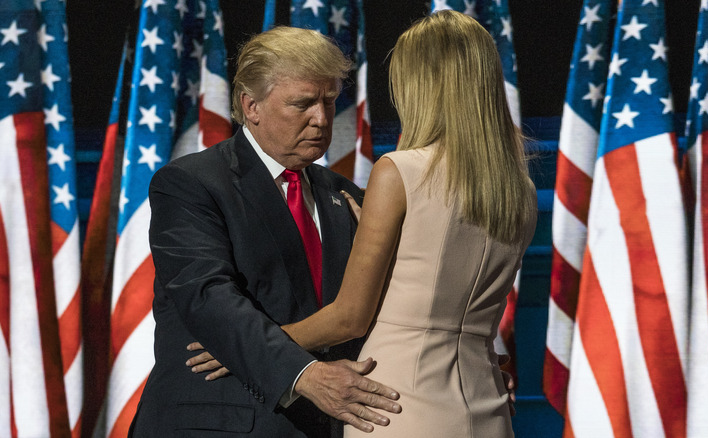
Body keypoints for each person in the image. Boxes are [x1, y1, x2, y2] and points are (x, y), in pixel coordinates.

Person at [191, 10, 537, 437]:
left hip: (396, 403)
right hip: (485, 398)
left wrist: (249, 349)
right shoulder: (517, 188)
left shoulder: (399, 172)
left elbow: (351, 317)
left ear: (419, 85)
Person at [128, 26, 402, 437]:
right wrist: (304, 374)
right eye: (303, 103)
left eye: (329, 101)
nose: (322, 118)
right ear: (250, 105)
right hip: (219, 422)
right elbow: (209, 299)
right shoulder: (190, 183)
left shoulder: (346, 195)